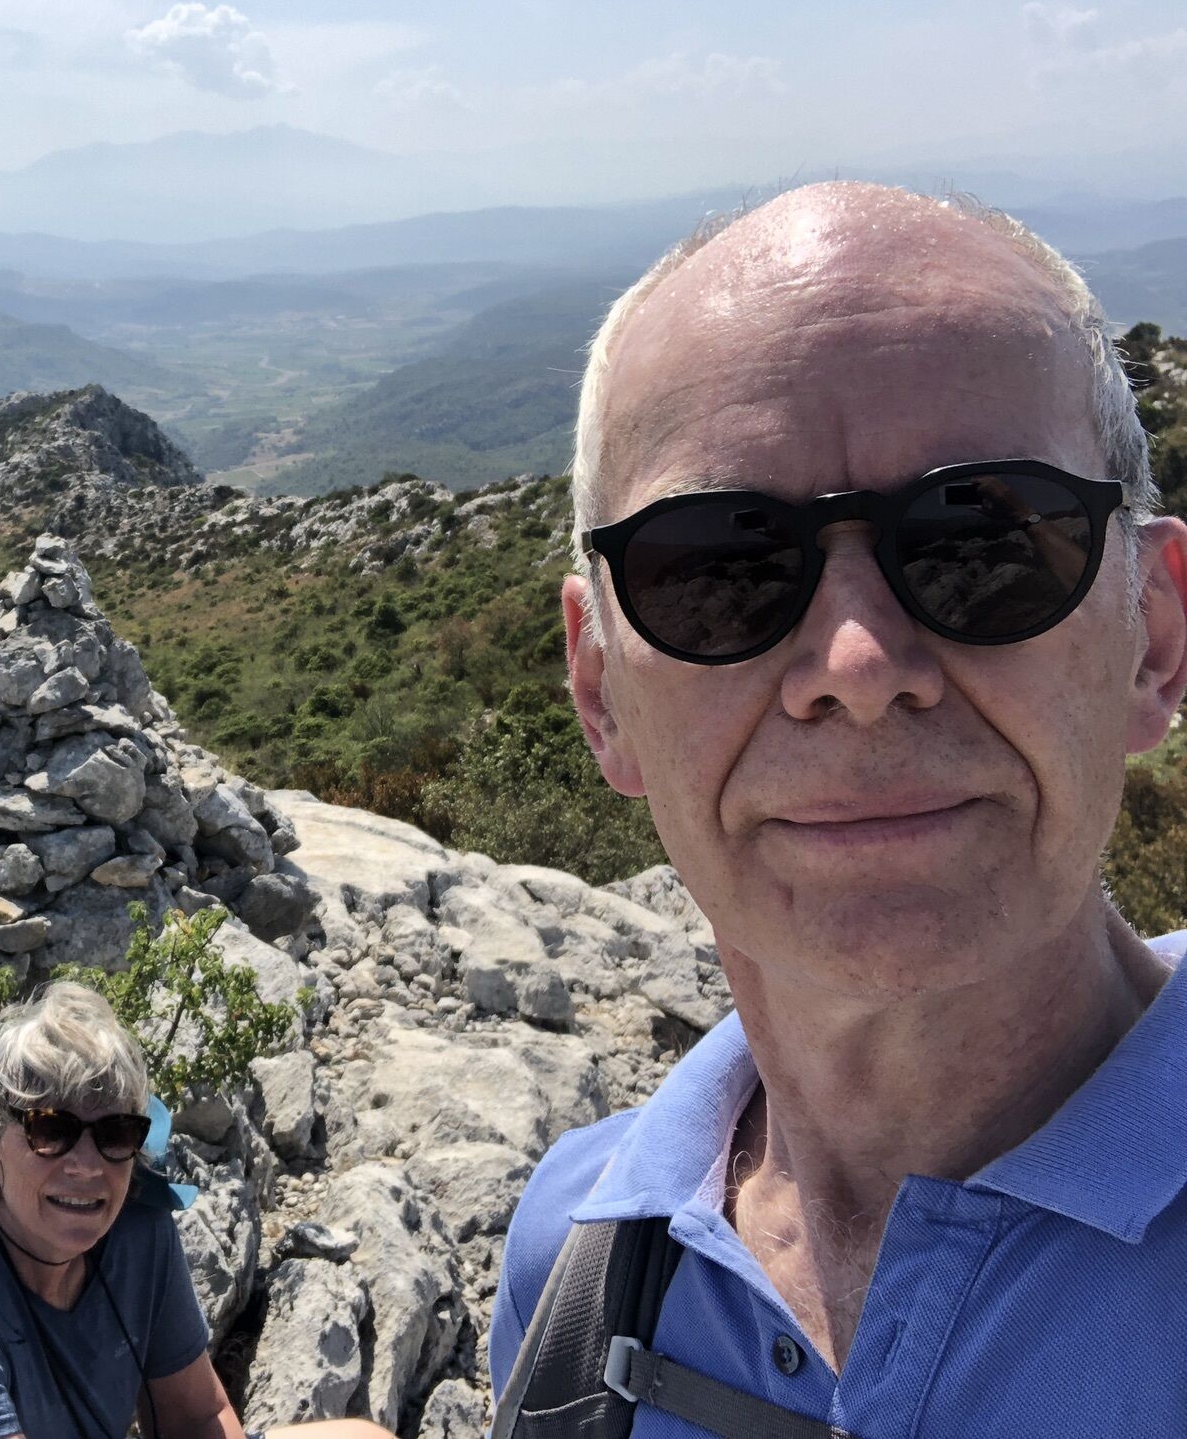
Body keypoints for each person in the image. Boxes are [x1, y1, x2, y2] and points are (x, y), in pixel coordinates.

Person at [488, 183, 1187, 1436]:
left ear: (1154, 637)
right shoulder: (575, 1272)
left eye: (979, 544)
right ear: (598, 691)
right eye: (719, 567)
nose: (858, 668)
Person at [0, 980, 388, 1439]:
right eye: (51, 1130)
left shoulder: (137, 1228)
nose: (86, 1165)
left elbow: (195, 1417)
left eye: (115, 1133)